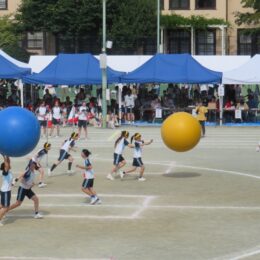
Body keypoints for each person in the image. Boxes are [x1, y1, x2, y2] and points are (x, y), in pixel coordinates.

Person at [0, 155, 12, 226]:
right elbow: (7, 164)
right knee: (5, 207)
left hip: (6, 191)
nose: (9, 165)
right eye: (7, 165)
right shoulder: (5, 172)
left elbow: (8, 163)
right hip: (5, 192)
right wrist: (4, 157)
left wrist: (7, 155)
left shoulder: (7, 171)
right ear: (5, 167)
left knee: (3, 205)